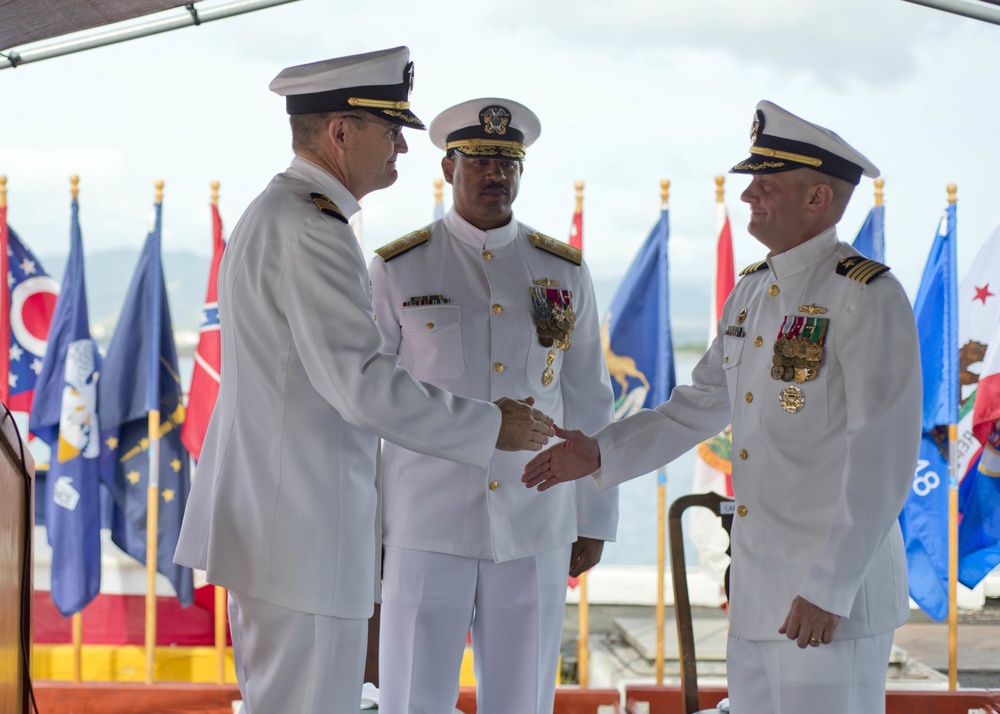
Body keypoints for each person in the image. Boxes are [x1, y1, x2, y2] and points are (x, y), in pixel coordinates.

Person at [173, 49, 555, 714]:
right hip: (300, 534)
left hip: (286, 529)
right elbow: (361, 383)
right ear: (341, 132)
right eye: (390, 127)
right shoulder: (310, 230)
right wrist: (496, 424)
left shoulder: (284, 213)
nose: (403, 146)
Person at [522, 100, 922, 714]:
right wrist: (601, 451)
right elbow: (693, 408)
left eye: (767, 184)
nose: (749, 197)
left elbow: (883, 455)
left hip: (830, 600)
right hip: (761, 592)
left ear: (819, 198)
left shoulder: (865, 296)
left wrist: (829, 587)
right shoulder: (752, 293)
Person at [368, 97, 619, 714]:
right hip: (424, 521)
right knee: (412, 698)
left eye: (507, 162)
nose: (494, 175)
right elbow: (370, 399)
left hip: (536, 522)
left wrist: (594, 517)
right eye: (479, 161)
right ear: (448, 167)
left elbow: (588, 393)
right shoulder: (399, 266)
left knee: (524, 701)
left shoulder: (561, 270)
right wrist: (368, 522)